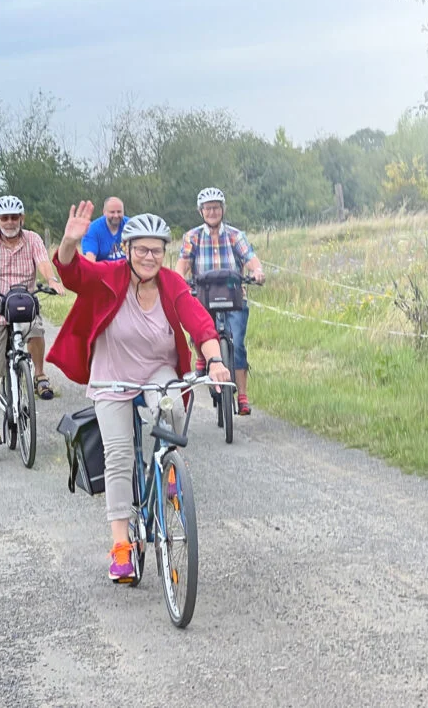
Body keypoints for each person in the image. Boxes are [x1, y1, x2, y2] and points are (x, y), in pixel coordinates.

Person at [48, 203, 230, 582]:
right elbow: (72, 274)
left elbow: (198, 320)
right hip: (111, 375)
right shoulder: (108, 276)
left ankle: (166, 469)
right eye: (142, 249)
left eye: (157, 250)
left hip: (156, 370)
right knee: (117, 454)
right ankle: (120, 547)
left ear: (165, 253)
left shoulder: (170, 283)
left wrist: (213, 361)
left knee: (172, 410)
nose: (150, 257)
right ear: (127, 249)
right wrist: (69, 242)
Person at [0, 195, 65, 446]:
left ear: (22, 218)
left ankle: (39, 375)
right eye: (5, 218)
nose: (10, 222)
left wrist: (51, 280)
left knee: (37, 330)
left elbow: (43, 262)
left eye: (14, 217)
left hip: (23, 302)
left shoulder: (32, 239)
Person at [175, 187, 265, 415]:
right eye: (208, 208)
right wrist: (178, 281)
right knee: (200, 329)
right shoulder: (192, 237)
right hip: (203, 296)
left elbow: (250, 259)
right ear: (201, 211)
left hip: (234, 297)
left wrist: (257, 272)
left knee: (238, 346)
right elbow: (182, 266)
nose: (212, 212)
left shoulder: (236, 235)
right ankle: (200, 356)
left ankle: (242, 396)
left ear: (223, 210)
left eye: (216, 207)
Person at [81, 196, 128, 262]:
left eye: (119, 212)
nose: (116, 215)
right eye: (112, 212)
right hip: (103, 270)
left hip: (127, 270)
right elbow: (90, 260)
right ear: (104, 212)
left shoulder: (130, 225)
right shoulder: (92, 229)